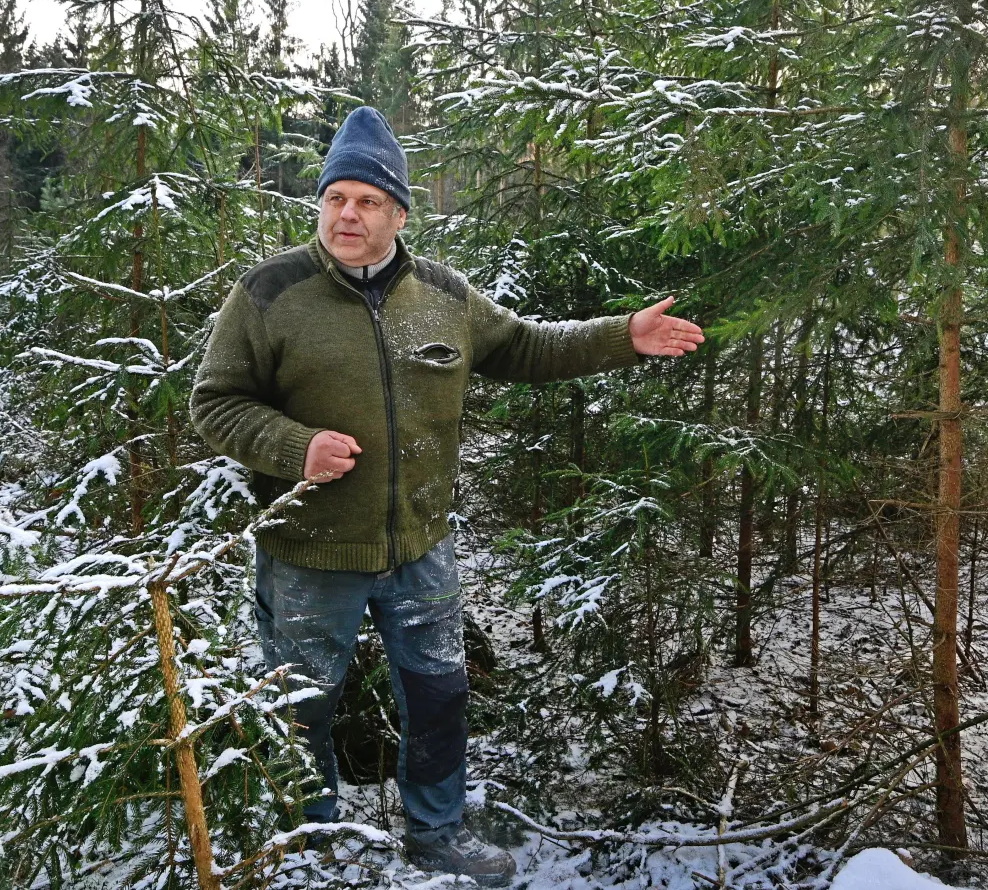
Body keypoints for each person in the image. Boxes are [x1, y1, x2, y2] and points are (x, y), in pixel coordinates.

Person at [189, 106, 704, 886]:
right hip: (310, 554)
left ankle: (436, 834)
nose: (348, 214)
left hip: (421, 549)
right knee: (301, 708)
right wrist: (299, 448)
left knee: (438, 696)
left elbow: (526, 346)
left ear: (399, 212)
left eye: (366, 201)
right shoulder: (269, 294)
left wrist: (619, 336)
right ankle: (311, 845)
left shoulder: (444, 295)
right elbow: (216, 402)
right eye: (335, 199)